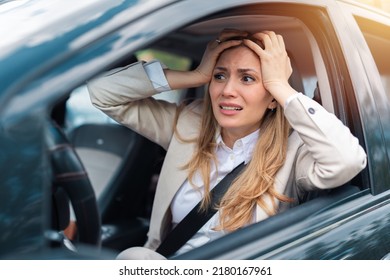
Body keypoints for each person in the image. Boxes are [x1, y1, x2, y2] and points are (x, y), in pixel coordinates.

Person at [87, 29, 367, 259]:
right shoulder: (189, 124)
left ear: (272, 96)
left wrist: (280, 87)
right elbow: (102, 94)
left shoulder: (295, 152)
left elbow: (348, 161)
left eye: (247, 78)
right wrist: (197, 75)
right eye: (220, 76)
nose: (227, 90)